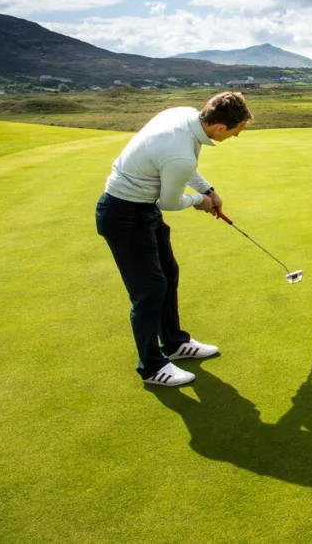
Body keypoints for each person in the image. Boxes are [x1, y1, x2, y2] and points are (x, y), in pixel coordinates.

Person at [95, 92, 253, 387]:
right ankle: (152, 367)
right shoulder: (180, 152)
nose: (236, 135)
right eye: (237, 131)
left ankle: (174, 344)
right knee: (149, 291)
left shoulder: (183, 115)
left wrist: (208, 189)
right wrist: (198, 200)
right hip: (123, 215)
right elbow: (170, 201)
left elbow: (182, 167)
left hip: (142, 210)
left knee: (168, 273)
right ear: (220, 128)